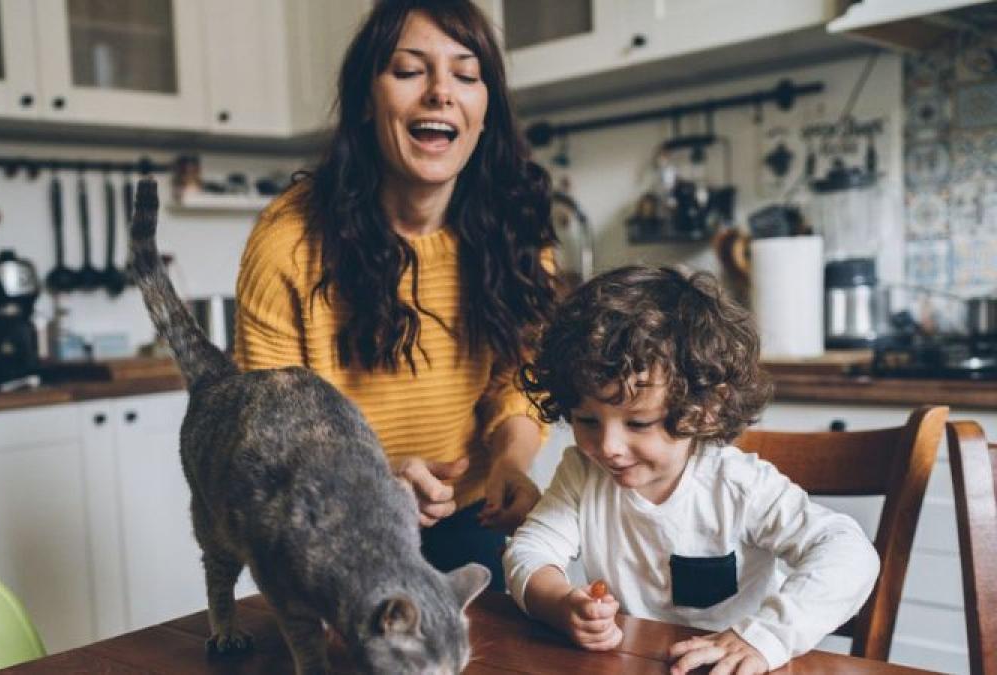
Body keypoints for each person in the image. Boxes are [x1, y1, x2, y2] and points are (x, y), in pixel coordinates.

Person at [233, 0, 557, 590]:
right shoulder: (288, 242)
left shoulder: (515, 230)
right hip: (332, 522)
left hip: (471, 515)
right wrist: (376, 487)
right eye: (409, 71)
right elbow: (269, 433)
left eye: (466, 74)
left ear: (486, 111)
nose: (440, 92)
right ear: (364, 102)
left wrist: (511, 460)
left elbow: (520, 377)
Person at [504, 266, 879, 674]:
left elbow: (849, 552)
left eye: (638, 423)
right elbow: (530, 550)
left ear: (703, 409)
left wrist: (763, 636)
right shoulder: (581, 474)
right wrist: (560, 604)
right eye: (587, 420)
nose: (608, 448)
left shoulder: (737, 485)